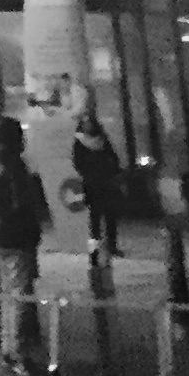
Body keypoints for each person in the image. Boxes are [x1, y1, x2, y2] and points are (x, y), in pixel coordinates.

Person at [0, 114, 47, 373]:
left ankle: (9, 350)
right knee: (18, 295)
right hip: (15, 235)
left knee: (8, 295)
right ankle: (16, 354)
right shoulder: (13, 164)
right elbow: (21, 203)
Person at [71, 107, 123, 261]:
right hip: (93, 183)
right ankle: (95, 248)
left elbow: (113, 158)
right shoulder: (80, 141)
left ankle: (111, 245)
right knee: (95, 217)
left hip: (106, 183)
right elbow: (78, 162)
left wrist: (113, 173)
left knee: (110, 216)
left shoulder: (102, 139)